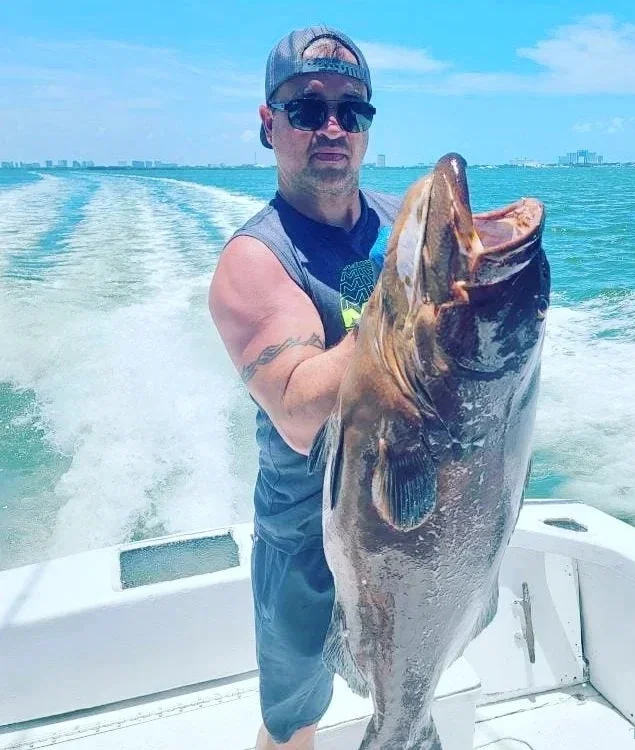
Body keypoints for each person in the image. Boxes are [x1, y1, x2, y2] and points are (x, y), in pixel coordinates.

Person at [208, 26, 401, 750]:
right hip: (305, 532)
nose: (333, 127)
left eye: (352, 110)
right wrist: (412, 306)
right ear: (269, 124)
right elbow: (297, 409)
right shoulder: (256, 260)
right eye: (307, 108)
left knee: (411, 674)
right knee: (295, 720)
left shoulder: (402, 224)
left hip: (402, 511)